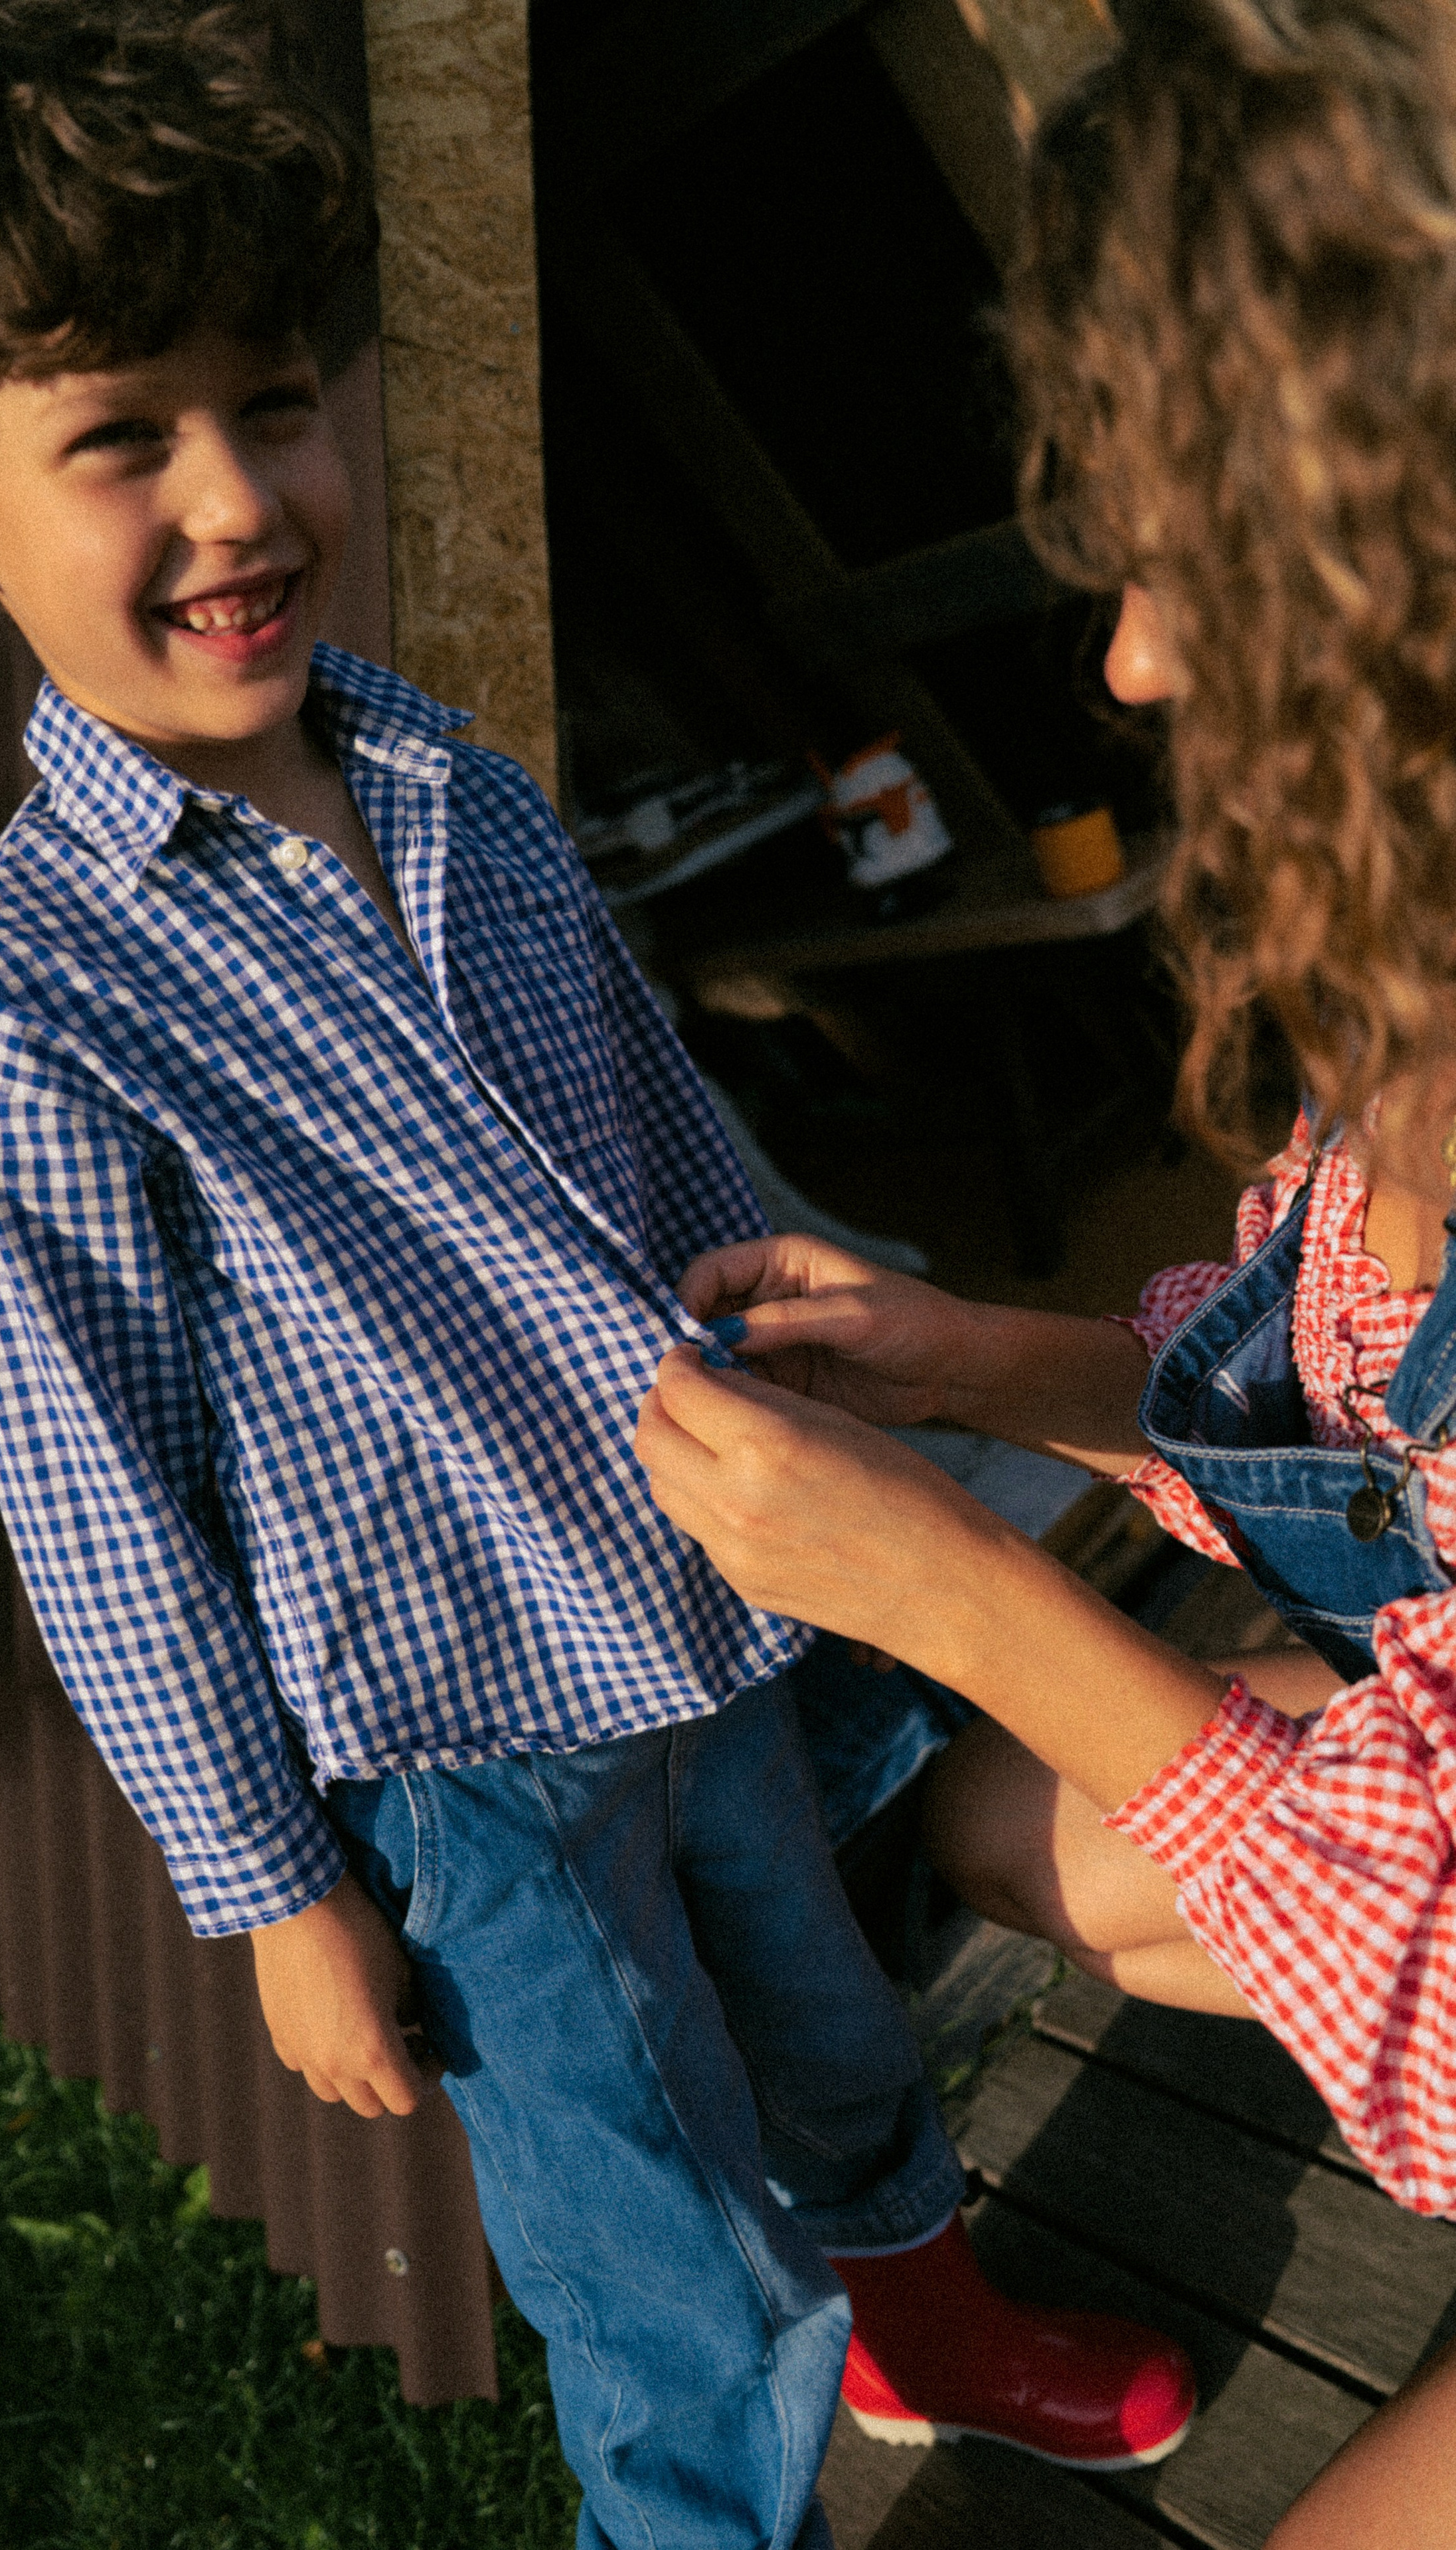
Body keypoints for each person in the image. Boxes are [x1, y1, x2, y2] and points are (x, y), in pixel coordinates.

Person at [0, 1, 1198, 2538]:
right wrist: (279, 1892)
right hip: (465, 1765)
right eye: (122, 440)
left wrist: (850, 1366)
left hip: (715, 1603)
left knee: (839, 2033)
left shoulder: (457, 782)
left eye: (271, 402)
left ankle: (936, 2330)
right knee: (655, 2246)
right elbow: (104, 1517)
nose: (239, 499)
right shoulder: (14, 1003)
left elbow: (666, 1129)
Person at [634, 3, 1456, 2543]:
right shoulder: (1409, 1002)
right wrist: (972, 1361)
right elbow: (1349, 1448)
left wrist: (956, 1587)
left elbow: (1438, 1997)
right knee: (1016, 1828)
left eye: (1183, 563)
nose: (1130, 662)